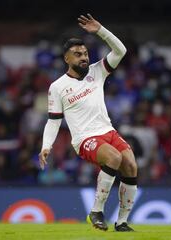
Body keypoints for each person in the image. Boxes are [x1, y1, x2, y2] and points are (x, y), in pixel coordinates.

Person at [38, 14, 137, 232]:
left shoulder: (97, 71)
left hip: (108, 131)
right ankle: (96, 211)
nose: (83, 57)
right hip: (85, 138)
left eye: (84, 53)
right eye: (77, 54)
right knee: (114, 157)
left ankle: (121, 223)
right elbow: (54, 121)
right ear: (66, 59)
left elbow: (121, 51)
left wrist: (101, 30)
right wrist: (46, 146)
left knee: (130, 165)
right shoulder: (58, 87)